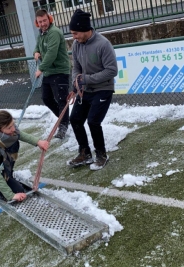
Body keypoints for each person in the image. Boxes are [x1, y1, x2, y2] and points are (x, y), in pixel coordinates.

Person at [68, 9, 118, 171]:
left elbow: (111, 70)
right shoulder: (76, 45)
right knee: (75, 119)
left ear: (84, 29)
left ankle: (101, 154)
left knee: (93, 121)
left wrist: (87, 79)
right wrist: (76, 81)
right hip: (85, 90)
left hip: (103, 89)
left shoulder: (103, 44)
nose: (73, 36)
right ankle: (84, 153)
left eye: (75, 33)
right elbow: (76, 67)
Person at [33, 9, 70, 139]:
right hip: (49, 72)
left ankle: (63, 126)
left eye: (44, 20)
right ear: (37, 23)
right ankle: (63, 119)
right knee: (46, 98)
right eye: (40, 21)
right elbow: (38, 47)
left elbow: (51, 54)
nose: (43, 23)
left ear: (49, 19)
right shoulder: (42, 34)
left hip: (59, 71)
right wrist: (36, 52)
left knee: (61, 100)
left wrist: (40, 69)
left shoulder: (54, 32)